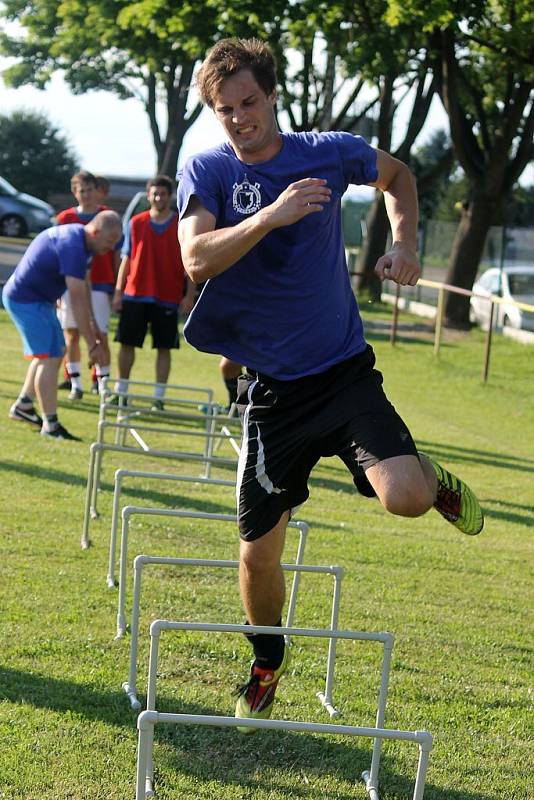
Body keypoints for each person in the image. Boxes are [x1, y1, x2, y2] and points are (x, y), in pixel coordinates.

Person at [177, 38, 484, 733]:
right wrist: (271, 215)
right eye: (224, 109)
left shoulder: (328, 148)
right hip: (272, 393)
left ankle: (432, 481)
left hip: (343, 374)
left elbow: (399, 174)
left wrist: (404, 242)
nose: (239, 118)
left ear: (271, 93)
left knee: (404, 499)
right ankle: (266, 661)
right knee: (257, 555)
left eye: (248, 102)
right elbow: (196, 260)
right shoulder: (208, 167)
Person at [3, 211, 122, 440]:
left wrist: (95, 326)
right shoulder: (74, 246)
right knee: (50, 356)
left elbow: (85, 288)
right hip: (26, 300)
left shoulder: (85, 244)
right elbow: (76, 300)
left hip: (38, 300)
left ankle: (24, 406)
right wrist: (93, 345)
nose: (111, 248)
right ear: (95, 232)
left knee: (52, 353)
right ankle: (51, 425)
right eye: (109, 242)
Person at [112, 175, 196, 409]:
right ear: (148, 195)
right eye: (154, 193)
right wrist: (118, 292)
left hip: (167, 295)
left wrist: (189, 295)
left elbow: (190, 263)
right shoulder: (136, 223)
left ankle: (159, 397)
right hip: (135, 293)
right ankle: (121, 391)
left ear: (170, 196)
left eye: (163, 194)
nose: (158, 197)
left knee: (164, 347)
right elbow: (126, 260)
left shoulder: (181, 225)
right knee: (127, 343)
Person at [56, 170, 120, 399]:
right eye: (81, 190)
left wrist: (115, 286)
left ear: (97, 191)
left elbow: (116, 254)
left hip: (100, 283)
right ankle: (75, 383)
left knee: (99, 333)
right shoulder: (65, 218)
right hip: (69, 284)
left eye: (90, 190)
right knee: (71, 333)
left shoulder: (107, 216)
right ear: (75, 193)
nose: (86, 195)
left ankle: (102, 382)